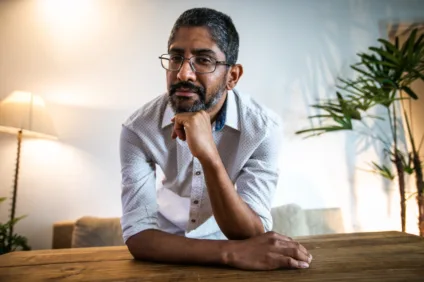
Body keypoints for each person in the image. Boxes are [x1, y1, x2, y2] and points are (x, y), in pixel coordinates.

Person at [119, 7, 312, 270]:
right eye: (176, 57)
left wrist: (209, 155)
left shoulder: (262, 130)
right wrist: (231, 253)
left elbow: (251, 233)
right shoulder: (139, 129)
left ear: (232, 76)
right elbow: (139, 237)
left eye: (203, 60)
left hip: (240, 255)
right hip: (165, 253)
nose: (183, 74)